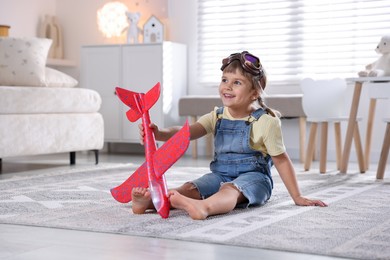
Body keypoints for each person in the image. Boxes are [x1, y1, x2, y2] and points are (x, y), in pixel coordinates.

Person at [133, 51, 327, 220]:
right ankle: (151, 202)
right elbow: (187, 133)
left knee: (230, 190)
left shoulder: (266, 121)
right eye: (225, 80)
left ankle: (204, 208)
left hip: (254, 179)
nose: (227, 86)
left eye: (237, 83)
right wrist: (160, 133)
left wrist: (298, 197)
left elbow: (282, 161)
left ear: (254, 93)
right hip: (220, 174)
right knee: (190, 188)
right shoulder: (217, 115)